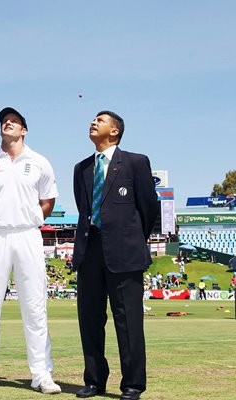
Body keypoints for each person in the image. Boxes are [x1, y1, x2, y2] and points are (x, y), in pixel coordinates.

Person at [0, 107, 61, 394]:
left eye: (14, 121)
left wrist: (29, 219)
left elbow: (48, 200)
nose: (8, 123)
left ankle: (42, 374)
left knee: (34, 307)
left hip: (28, 235)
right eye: (5, 121)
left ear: (24, 130)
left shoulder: (40, 162)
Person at [72, 111, 158, 400]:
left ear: (115, 131)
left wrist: (132, 239)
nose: (93, 122)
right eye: (93, 119)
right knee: (90, 320)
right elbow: (84, 210)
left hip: (125, 252)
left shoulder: (135, 162)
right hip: (89, 251)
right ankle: (94, 380)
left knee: (129, 321)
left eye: (101, 119)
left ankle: (133, 384)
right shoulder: (82, 168)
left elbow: (148, 208)